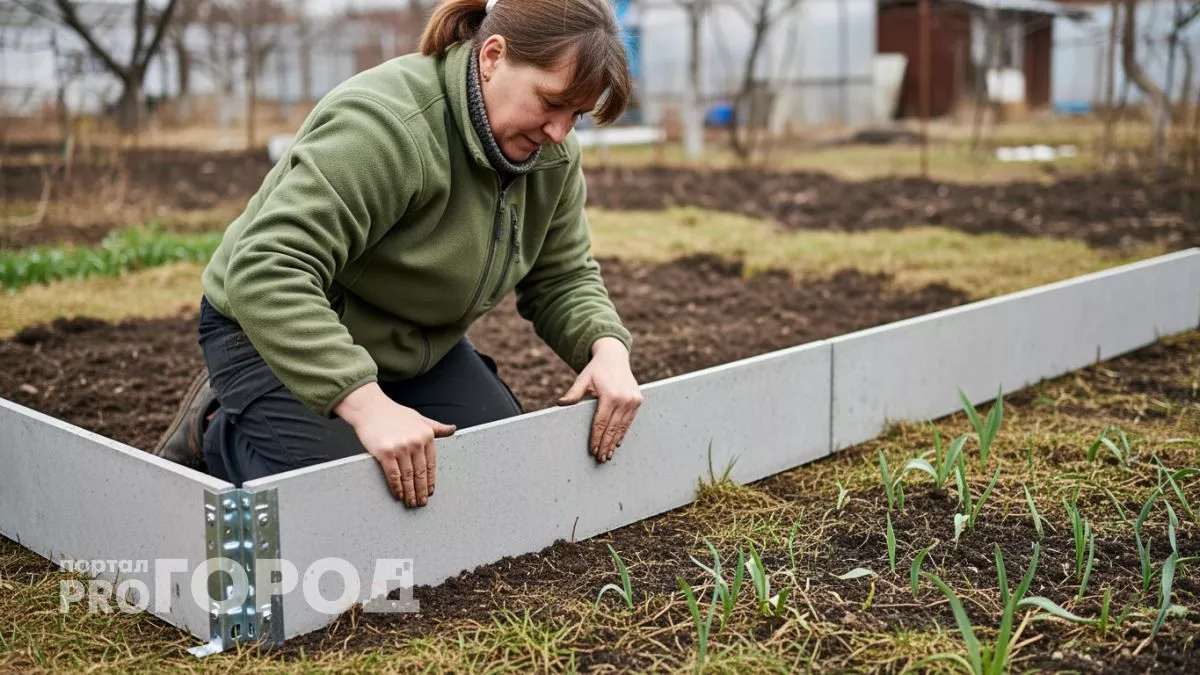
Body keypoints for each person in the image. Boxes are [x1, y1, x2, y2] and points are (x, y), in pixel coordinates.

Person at [152, 0, 644, 508]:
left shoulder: (551, 155)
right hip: (269, 333)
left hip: (411, 344)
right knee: (358, 500)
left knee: (496, 475)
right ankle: (219, 431)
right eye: (550, 103)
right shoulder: (388, 127)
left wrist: (606, 348)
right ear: (493, 56)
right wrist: (368, 408)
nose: (559, 133)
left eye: (577, 115)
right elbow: (265, 269)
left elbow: (561, 275)